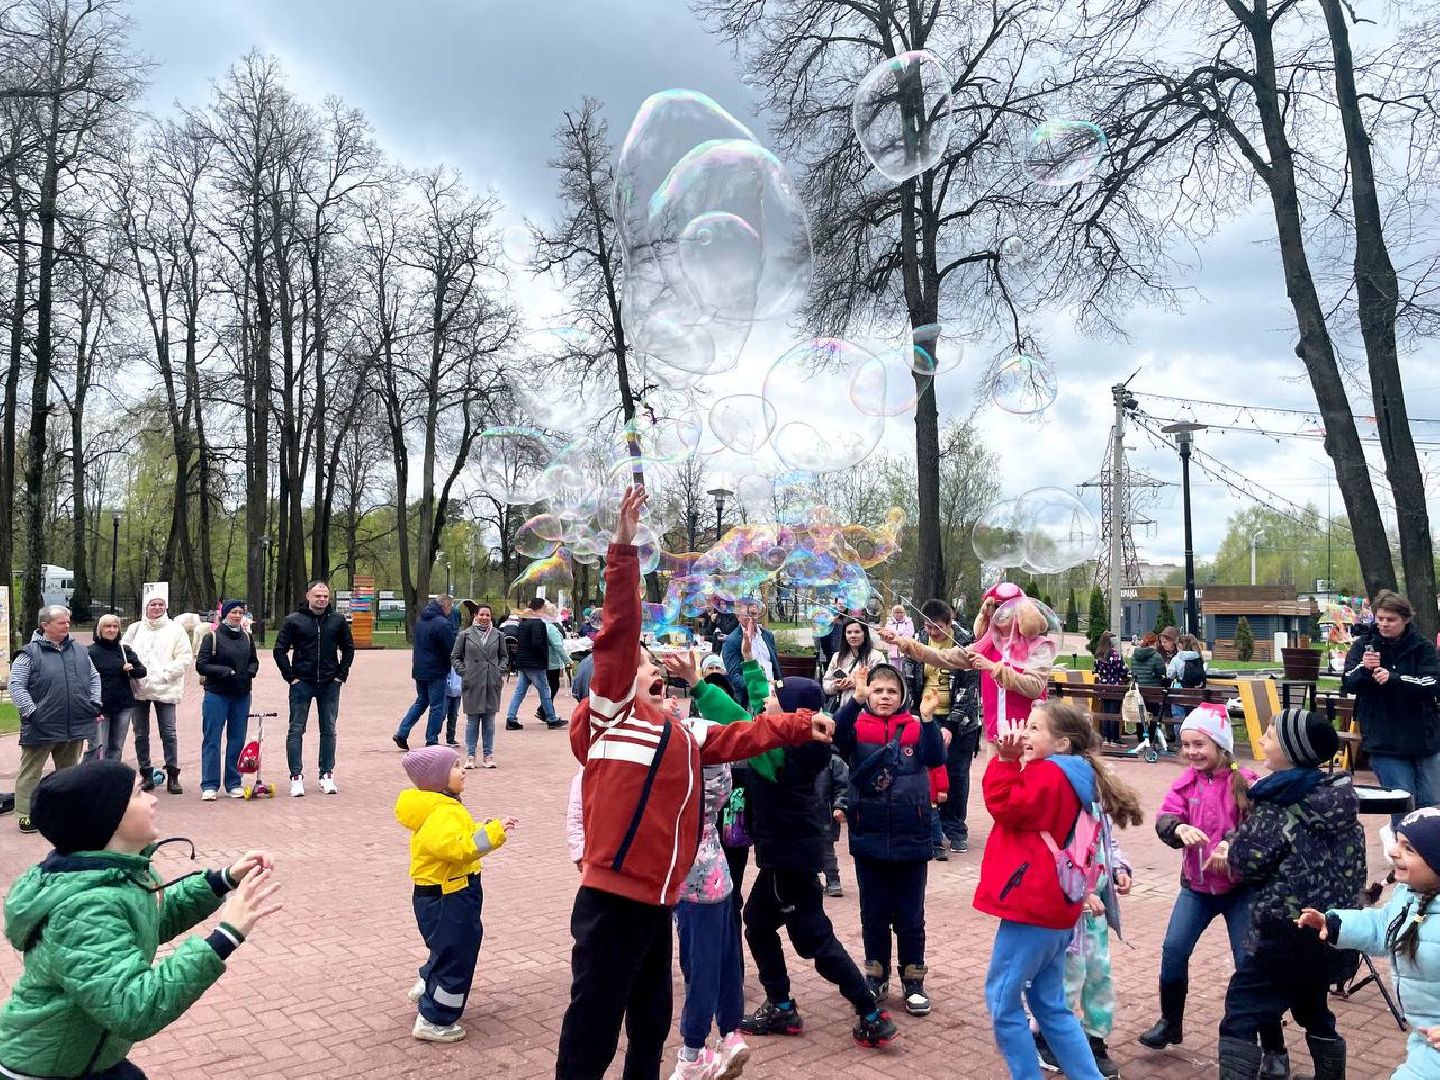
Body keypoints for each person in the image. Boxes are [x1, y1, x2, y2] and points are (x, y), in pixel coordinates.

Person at [556, 485, 837, 1080]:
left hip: (661, 898)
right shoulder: (608, 716)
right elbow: (615, 632)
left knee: (652, 1021)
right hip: (612, 898)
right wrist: (623, 551)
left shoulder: (684, 732)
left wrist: (797, 723)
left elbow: (743, 737)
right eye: (643, 664)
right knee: (593, 1028)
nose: (653, 667)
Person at [0, 759, 281, 1079]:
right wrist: (225, 935)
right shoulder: (84, 909)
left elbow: (148, 918)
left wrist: (224, 879)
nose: (153, 798)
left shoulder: (110, 875)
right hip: (45, 1071)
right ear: (107, 817)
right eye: (137, 793)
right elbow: (135, 1006)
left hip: (92, 1062)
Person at [977, 700, 1144, 1080]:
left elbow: (1005, 806)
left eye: (1036, 729)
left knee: (1002, 1000)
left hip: (1034, 904)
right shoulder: (1076, 774)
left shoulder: (1050, 774)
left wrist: (1004, 761)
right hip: (1056, 906)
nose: (1026, 734)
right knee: (1049, 1003)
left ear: (1064, 743)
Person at [737, 674, 896, 1050]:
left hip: (787, 861)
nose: (766, 702)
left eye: (775, 698)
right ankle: (781, 1004)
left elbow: (744, 723)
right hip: (792, 857)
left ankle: (869, 1013)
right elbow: (830, 727)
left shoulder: (785, 752)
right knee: (758, 924)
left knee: (814, 941)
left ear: (795, 712)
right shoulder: (802, 745)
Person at [1216, 709, 1367, 1079]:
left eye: (1269, 735)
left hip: (1282, 935)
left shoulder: (1281, 802)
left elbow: (1249, 861)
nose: (1261, 741)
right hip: (1330, 932)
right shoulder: (1340, 801)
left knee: (1241, 1011)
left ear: (1292, 750)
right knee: (1312, 1005)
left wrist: (1229, 850)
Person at [1140, 705, 1291, 1075]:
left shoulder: (1249, 783)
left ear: (1220, 745)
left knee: (1251, 964)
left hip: (1241, 890)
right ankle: (1170, 1023)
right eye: (1187, 744)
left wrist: (1230, 845)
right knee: (1174, 951)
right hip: (1196, 888)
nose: (1192, 752)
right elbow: (1165, 815)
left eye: (1199, 744)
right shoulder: (1185, 782)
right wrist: (1176, 829)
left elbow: (1262, 830)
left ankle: (1274, 1046)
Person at [832, 664, 947, 1017]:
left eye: (891, 692)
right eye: (878, 691)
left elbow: (935, 757)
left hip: (911, 835)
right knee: (874, 913)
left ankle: (913, 981)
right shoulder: (856, 725)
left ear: (903, 697)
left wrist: (928, 720)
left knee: (911, 916)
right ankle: (876, 976)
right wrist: (855, 699)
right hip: (868, 834)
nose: (884, 697)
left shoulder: (914, 726)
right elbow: (835, 735)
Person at [1299, 806, 1440, 1080]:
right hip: (1426, 1039)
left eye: (1409, 848)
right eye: (1397, 841)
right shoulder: (1408, 895)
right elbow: (1382, 928)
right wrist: (1335, 924)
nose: (1394, 852)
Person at [394, 745, 516, 1043]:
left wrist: (481, 827)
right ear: (437, 778)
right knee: (458, 953)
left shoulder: (442, 807)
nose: (463, 771)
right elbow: (460, 848)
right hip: (449, 895)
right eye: (456, 767)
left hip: (448, 893)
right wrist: (493, 833)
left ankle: (428, 983)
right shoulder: (442, 812)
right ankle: (435, 1018)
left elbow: (456, 837)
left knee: (447, 946)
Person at [1032, 833, 1134, 1079]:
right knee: (1067, 980)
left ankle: (1095, 1038)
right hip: (1065, 916)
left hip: (1094, 918)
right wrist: (1082, 892)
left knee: (1100, 976)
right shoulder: (1064, 807)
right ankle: (1047, 1037)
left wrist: (1119, 869)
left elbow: (1108, 844)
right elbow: (1053, 855)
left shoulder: (1097, 806)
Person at [1342, 590, 1440, 825]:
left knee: (1431, 804)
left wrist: (1395, 679)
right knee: (1402, 802)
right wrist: (1364, 670)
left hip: (1424, 738)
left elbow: (1433, 683)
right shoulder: (1364, 645)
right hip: (1384, 740)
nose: (1384, 624)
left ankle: (1430, 858)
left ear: (1406, 619)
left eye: (1391, 619)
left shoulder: (1422, 647)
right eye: (1381, 618)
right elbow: (1348, 681)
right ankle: (1403, 858)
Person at [8, 605, 102, 835]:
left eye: (68, 621)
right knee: (31, 772)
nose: (67, 625)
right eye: (62, 622)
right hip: (41, 724)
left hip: (75, 723)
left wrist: (94, 702)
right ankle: (26, 814)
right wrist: (32, 712)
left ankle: (66, 812)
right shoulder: (28, 654)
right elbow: (16, 686)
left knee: (69, 773)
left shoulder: (80, 651)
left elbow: (94, 677)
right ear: (45, 625)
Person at [901, 599, 981, 855]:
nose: (933, 632)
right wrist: (912, 713)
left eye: (939, 628)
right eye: (929, 627)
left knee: (956, 774)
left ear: (950, 621)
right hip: (925, 716)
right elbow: (909, 679)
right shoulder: (918, 640)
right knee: (925, 772)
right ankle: (929, 826)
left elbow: (970, 690)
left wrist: (950, 726)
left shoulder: (966, 643)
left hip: (959, 721)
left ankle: (955, 828)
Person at [273, 580, 355, 798]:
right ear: (308, 595)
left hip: (330, 683)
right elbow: (279, 650)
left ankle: (326, 774)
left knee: (328, 728)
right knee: (296, 729)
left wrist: (340, 675)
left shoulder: (337, 620)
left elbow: (348, 648)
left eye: (325, 596)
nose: (322, 599)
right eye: (318, 595)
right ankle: (296, 777)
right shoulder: (294, 620)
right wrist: (290, 677)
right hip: (302, 682)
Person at [122, 592, 194, 794]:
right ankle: (146, 773)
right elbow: (123, 651)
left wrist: (165, 674)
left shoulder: (176, 630)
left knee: (169, 733)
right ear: (146, 607)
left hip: (166, 686)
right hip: (139, 687)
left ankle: (172, 774)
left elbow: (184, 657)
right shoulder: (135, 629)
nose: (157, 608)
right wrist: (133, 672)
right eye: (153, 604)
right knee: (140, 733)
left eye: (160, 604)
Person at [194, 601, 260, 802]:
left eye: (241, 612)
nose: (237, 616)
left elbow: (253, 660)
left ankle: (233, 782)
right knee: (212, 739)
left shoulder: (247, 637)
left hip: (241, 695)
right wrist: (224, 672)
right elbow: (202, 665)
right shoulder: (212, 637)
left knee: (237, 740)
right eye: (233, 612)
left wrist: (251, 671)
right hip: (217, 694)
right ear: (224, 614)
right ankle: (210, 784)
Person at [394, 594, 458, 750]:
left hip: (420, 669)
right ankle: (432, 739)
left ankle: (402, 732)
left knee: (421, 701)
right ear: (445, 606)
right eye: (451, 608)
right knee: (437, 706)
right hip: (436, 670)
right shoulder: (443, 624)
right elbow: (450, 649)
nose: (451, 611)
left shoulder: (421, 619)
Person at [87, 613, 147, 763]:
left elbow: (142, 671)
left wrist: (131, 669)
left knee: (116, 747)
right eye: (108, 626)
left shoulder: (124, 650)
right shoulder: (89, 652)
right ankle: (90, 779)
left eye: (115, 627)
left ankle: (111, 780)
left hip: (123, 706)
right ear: (99, 629)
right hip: (100, 707)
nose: (112, 630)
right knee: (97, 747)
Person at [452, 603, 506, 769]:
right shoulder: (465, 635)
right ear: (475, 615)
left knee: (489, 722)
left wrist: (499, 671)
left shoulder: (498, 635)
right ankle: (470, 755)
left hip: (491, 682)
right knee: (472, 721)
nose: (484, 618)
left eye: (487, 615)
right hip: (473, 681)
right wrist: (464, 672)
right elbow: (455, 656)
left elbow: (504, 656)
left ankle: (488, 755)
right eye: (481, 614)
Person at [504, 597, 563, 731]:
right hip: (534, 663)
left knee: (519, 692)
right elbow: (537, 643)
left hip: (523, 662)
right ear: (541, 608)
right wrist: (543, 657)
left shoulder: (524, 622)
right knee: (545, 690)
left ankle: (511, 718)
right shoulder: (538, 623)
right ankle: (551, 718)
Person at [722, 598, 782, 707]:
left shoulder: (767, 636)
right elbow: (735, 676)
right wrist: (760, 687)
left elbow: (774, 665)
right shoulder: (731, 641)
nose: (750, 618)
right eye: (746, 614)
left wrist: (779, 686)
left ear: (759, 614)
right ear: (738, 616)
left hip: (774, 694)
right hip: (750, 699)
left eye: (753, 614)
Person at [822, 617, 887, 709]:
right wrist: (836, 686)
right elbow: (826, 684)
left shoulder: (876, 657)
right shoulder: (837, 657)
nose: (853, 635)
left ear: (864, 634)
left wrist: (857, 683)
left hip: (868, 710)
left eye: (857, 632)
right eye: (849, 632)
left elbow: (883, 684)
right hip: (842, 711)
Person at [816, 749, 849, 897]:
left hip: (825, 812)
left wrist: (840, 805)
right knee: (807, 848)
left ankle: (833, 879)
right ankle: (814, 879)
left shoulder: (834, 760)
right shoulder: (801, 756)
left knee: (826, 848)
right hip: (808, 811)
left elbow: (844, 785)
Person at [1091, 631, 1130, 747]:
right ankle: (1114, 739)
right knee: (1114, 712)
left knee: (1106, 712)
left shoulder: (1099, 654)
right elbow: (1123, 671)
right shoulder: (1114, 655)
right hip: (1115, 686)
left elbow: (1096, 670)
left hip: (1103, 687)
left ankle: (1106, 738)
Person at [541, 601, 569, 722]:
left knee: (548, 687)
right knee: (553, 687)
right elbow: (558, 646)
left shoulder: (542, 626)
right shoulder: (551, 628)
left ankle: (545, 710)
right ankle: (545, 711)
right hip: (552, 663)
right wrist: (567, 660)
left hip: (544, 661)